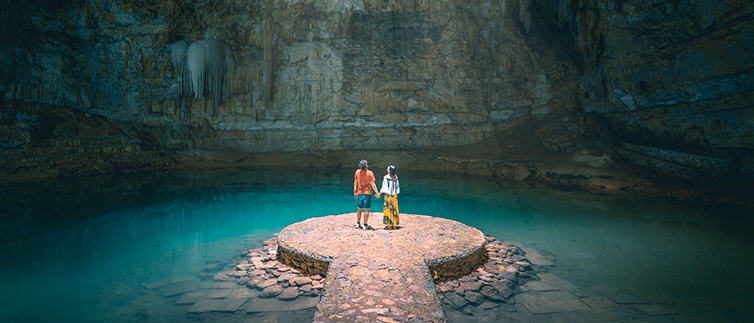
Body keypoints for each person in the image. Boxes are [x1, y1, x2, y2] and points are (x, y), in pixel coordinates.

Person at [354, 160, 379, 230]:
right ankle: (365, 224)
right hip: (367, 193)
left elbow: (355, 182)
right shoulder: (370, 173)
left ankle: (358, 223)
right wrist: (377, 193)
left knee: (359, 209)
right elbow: (373, 184)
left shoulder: (357, 172)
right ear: (366, 166)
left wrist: (355, 191)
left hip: (359, 192)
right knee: (366, 210)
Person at [379, 165, 400, 230]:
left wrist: (379, 193)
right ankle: (394, 224)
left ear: (389, 170)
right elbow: (397, 187)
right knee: (394, 209)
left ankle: (389, 225)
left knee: (388, 210)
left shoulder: (386, 177)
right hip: (394, 196)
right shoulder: (396, 177)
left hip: (388, 196)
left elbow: (384, 187)